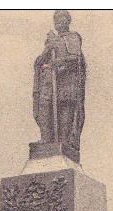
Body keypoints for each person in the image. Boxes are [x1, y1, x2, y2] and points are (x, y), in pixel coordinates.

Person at [33, 10, 86, 150]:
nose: (57, 22)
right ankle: (46, 139)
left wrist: (61, 61)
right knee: (45, 107)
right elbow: (41, 60)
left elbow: (76, 59)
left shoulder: (73, 37)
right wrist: (48, 48)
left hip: (66, 83)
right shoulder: (51, 40)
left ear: (68, 21)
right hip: (50, 82)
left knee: (65, 110)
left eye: (61, 18)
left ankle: (64, 141)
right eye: (55, 19)